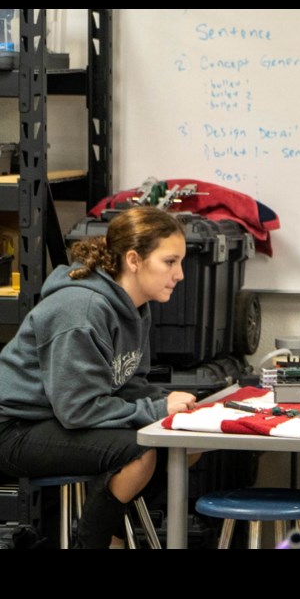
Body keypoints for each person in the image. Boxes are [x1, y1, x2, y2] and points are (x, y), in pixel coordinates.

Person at [0, 206, 197, 548]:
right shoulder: (82, 309)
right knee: (140, 451)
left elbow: (128, 382)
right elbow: (78, 409)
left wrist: (172, 409)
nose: (180, 274)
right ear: (134, 260)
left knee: (185, 441)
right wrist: (157, 409)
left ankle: (117, 531)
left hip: (59, 420)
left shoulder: (135, 308)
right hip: (15, 428)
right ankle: (96, 542)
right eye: (170, 261)